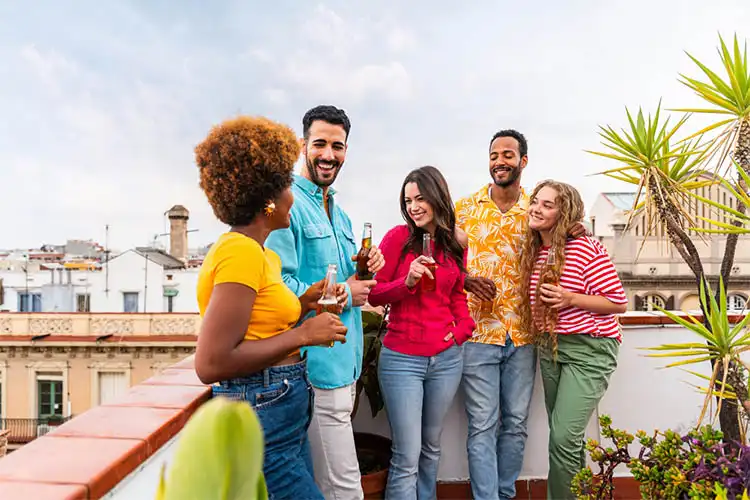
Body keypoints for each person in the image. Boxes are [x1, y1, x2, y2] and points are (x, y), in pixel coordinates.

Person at [192, 116, 351, 499]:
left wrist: (302, 303)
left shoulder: (260, 254)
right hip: (261, 412)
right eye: (284, 184)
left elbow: (258, 322)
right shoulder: (240, 253)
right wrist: (303, 334)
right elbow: (211, 363)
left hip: (280, 409)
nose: (292, 194)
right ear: (267, 198)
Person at [455, 129, 587, 500]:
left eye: (508, 155)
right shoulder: (464, 208)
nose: (500, 160)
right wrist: (465, 280)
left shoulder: (536, 208)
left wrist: (576, 228)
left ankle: (504, 493)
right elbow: (446, 260)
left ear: (522, 162)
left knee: (514, 425)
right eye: (495, 154)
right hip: (478, 334)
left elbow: (568, 236)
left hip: (527, 336)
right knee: (481, 425)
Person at [265, 105, 385, 499]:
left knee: (327, 484)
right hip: (315, 371)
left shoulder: (343, 214)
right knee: (345, 488)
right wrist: (350, 291)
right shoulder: (288, 207)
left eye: (338, 146)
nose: (328, 154)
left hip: (344, 366)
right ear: (303, 146)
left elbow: (350, 278)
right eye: (320, 144)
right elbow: (281, 288)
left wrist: (365, 269)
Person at [368, 166, 475, 499]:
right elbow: (375, 293)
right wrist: (408, 281)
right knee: (407, 454)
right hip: (402, 360)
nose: (413, 206)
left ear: (438, 197)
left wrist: (461, 331)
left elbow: (457, 295)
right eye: (408, 200)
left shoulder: (457, 241)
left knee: (431, 447)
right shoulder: (397, 238)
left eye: (420, 198)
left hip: (446, 359)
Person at [520, 180, 627, 500]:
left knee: (564, 437)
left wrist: (570, 298)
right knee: (567, 439)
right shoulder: (537, 250)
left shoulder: (586, 247)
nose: (537, 208)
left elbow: (618, 302)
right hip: (551, 347)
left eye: (548, 205)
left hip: (589, 349)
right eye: (536, 201)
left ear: (563, 212)